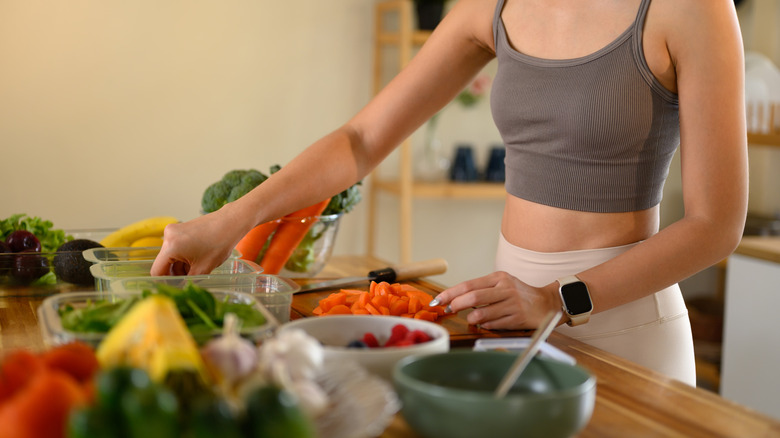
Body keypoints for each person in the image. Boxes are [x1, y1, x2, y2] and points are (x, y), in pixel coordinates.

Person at [151, 0, 747, 386]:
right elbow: (360, 141)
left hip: (622, 326)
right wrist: (229, 220)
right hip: (508, 316)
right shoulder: (496, 5)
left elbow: (716, 224)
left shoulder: (691, 9)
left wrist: (559, 298)